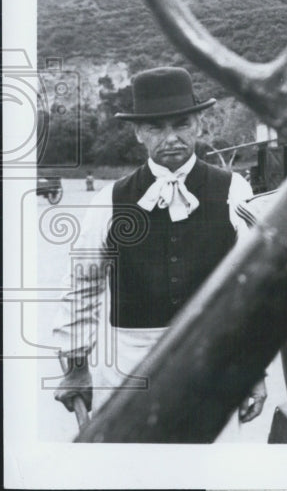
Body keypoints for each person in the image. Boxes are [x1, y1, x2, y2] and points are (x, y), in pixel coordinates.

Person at [52, 67, 266, 423]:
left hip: (212, 362)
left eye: (181, 124)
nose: (171, 138)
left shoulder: (234, 191)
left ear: (198, 125)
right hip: (128, 370)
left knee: (209, 470)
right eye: (156, 127)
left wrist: (254, 372)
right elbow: (81, 286)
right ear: (138, 133)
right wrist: (75, 365)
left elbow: (251, 288)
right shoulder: (110, 200)